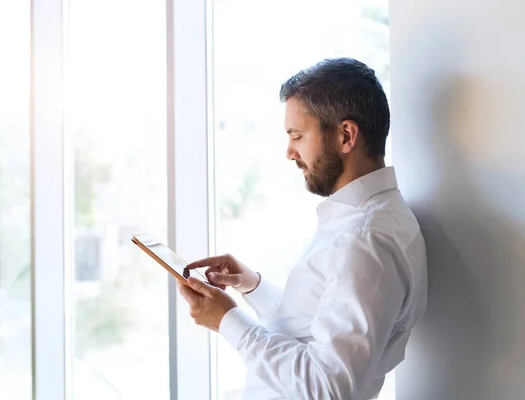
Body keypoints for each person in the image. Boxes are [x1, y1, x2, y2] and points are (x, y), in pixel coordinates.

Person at [177, 58, 427, 400]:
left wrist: (227, 321)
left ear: (346, 135)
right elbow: (314, 325)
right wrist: (253, 287)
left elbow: (328, 387)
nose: (290, 152)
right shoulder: (363, 221)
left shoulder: (366, 239)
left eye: (297, 136)